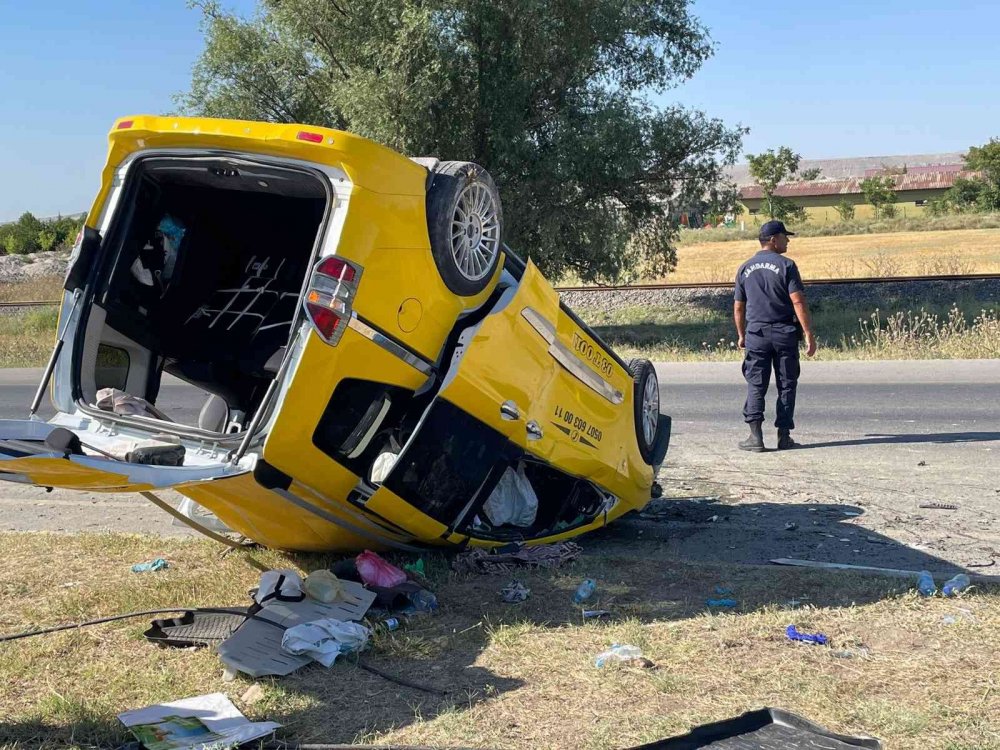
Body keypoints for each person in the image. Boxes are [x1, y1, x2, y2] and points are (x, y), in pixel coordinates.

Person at [733, 220, 816, 451]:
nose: (787, 240)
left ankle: (755, 437)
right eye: (784, 236)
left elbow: (739, 306)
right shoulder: (787, 265)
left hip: (756, 333)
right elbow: (797, 300)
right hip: (784, 333)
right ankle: (784, 436)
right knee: (787, 383)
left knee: (756, 384)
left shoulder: (744, 267)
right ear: (773, 239)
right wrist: (809, 333)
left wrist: (741, 335)